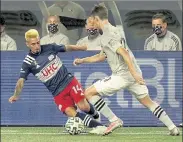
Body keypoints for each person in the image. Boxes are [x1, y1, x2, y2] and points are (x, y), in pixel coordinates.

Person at [73, 5, 180, 136]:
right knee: (148, 102)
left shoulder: (108, 35)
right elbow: (102, 56)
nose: (91, 22)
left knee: (89, 93)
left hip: (122, 75)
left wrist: (133, 74)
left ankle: (114, 120)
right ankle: (173, 127)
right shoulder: (115, 30)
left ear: (96, 18)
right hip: (132, 72)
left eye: (92, 20)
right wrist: (82, 61)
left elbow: (124, 53)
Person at [8, 29, 107, 134]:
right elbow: (20, 81)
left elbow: (66, 47)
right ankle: (101, 127)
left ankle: (96, 115)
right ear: (27, 44)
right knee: (72, 113)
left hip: (69, 81)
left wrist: (82, 47)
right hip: (57, 93)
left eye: (38, 42)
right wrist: (16, 95)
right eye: (33, 44)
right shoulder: (27, 63)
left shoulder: (49, 48)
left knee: (84, 106)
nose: (37, 46)